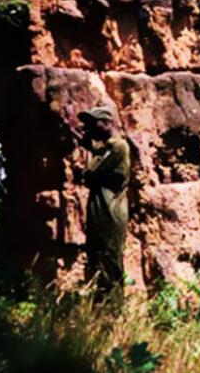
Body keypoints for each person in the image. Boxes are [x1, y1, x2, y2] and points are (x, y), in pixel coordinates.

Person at [76, 106, 130, 302]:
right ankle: (102, 312)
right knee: (98, 263)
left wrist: (83, 171)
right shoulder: (107, 147)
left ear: (108, 124)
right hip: (101, 215)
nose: (90, 128)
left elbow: (92, 174)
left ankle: (112, 314)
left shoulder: (118, 146)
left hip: (110, 215)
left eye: (94, 123)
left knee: (110, 265)